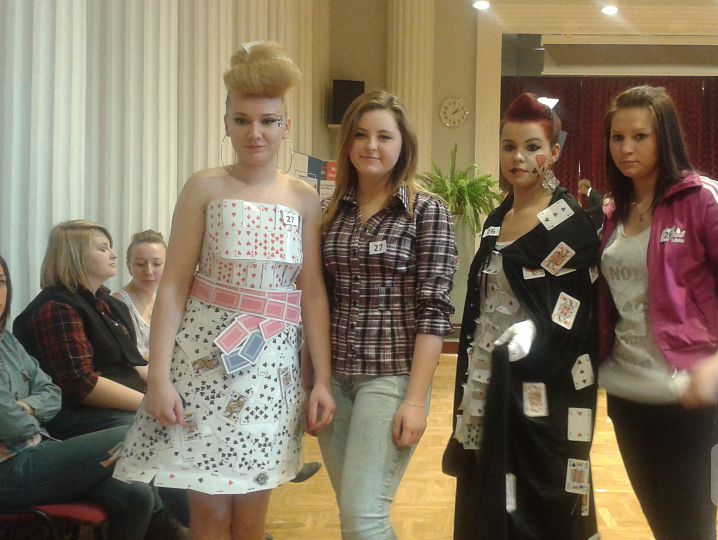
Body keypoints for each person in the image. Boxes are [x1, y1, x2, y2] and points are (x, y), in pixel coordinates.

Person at [113, 41, 335, 540]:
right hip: (202, 366)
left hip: (272, 371)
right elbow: (173, 286)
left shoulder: (304, 198)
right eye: (242, 120)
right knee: (210, 518)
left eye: (268, 121)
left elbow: (313, 294)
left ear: (286, 126)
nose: (255, 133)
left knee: (252, 520)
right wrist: (159, 377)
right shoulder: (204, 187)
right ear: (227, 123)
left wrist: (320, 378)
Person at [596, 85, 718, 539]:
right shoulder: (613, 212)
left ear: (665, 138)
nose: (626, 148)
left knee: (691, 530)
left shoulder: (704, 197)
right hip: (629, 396)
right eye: (617, 137)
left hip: (695, 398)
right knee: (664, 528)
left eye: (640, 136)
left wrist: (717, 363)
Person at [443, 92, 601, 539]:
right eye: (509, 146)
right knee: (486, 493)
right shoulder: (497, 219)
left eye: (532, 147)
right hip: (487, 382)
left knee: (536, 501)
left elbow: (579, 316)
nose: (519, 157)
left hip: (541, 393)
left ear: (554, 153)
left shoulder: (568, 223)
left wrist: (535, 333)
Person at [317, 90, 457, 539]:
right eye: (360, 135)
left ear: (403, 145)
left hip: (391, 378)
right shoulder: (330, 212)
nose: (371, 146)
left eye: (384, 136)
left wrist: (415, 400)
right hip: (335, 380)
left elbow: (434, 309)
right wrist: (315, 381)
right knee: (355, 514)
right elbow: (317, 300)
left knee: (364, 518)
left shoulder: (426, 211)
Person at [0, 255, 184, 540]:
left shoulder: (6, 340)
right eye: (101, 248)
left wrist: (26, 408)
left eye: (1, 282)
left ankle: (180, 524)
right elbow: (13, 424)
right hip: (9, 469)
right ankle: (186, 527)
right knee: (135, 430)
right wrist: (28, 415)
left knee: (136, 494)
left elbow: (51, 392)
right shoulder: (57, 307)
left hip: (37, 448)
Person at [13, 220, 149, 439]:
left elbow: (132, 363)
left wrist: (169, 394)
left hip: (123, 407)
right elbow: (82, 384)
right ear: (74, 256)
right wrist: (149, 405)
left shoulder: (110, 304)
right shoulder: (57, 307)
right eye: (103, 249)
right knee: (158, 431)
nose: (113, 255)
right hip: (83, 416)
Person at [113, 229, 167, 358]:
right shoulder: (118, 304)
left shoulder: (163, 302)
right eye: (140, 264)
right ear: (129, 266)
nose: (149, 271)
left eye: (157, 264)